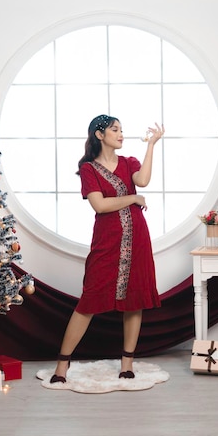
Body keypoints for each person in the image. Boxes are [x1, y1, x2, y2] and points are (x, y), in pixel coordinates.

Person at [50, 114, 165, 383]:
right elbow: (100, 206)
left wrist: (151, 146)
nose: (121, 134)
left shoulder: (129, 163)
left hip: (137, 238)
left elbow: (144, 180)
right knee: (89, 299)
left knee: (134, 301)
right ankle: (62, 365)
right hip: (107, 240)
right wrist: (133, 197)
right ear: (100, 135)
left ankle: (127, 364)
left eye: (122, 129)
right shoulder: (89, 169)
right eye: (115, 130)